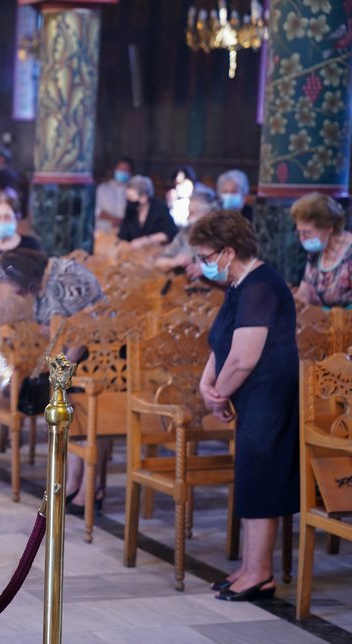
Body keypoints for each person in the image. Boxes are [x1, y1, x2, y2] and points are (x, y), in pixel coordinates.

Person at [189, 211, 299, 602]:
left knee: (262, 478)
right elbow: (222, 343)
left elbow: (243, 358)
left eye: (205, 256)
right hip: (250, 397)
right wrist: (207, 384)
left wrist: (217, 394)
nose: (202, 264)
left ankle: (260, 574)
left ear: (229, 251)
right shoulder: (239, 285)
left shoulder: (261, 286)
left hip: (269, 395)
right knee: (251, 477)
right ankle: (250, 567)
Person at [0, 247, 104, 514]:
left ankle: (90, 486)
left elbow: (89, 325)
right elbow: (52, 325)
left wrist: (65, 367)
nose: (12, 289)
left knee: (84, 415)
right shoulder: (43, 283)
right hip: (72, 357)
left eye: (12, 282)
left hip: (100, 356)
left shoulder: (66, 275)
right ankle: (74, 481)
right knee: (70, 416)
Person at [291, 192, 352, 309]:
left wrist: (324, 312)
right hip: (318, 319)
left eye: (308, 232)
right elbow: (304, 295)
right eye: (299, 232)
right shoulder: (315, 252)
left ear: (329, 227)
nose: (302, 238)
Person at [0, 193, 42, 282]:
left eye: (7, 217)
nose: (2, 222)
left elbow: (40, 279)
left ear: (16, 218)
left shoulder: (31, 246)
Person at [154, 184, 218, 275]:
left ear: (209, 214)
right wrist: (175, 261)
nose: (188, 218)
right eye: (188, 212)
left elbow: (230, 271)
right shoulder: (185, 233)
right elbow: (158, 263)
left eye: (192, 213)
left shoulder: (221, 236)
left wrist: (205, 270)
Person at [118, 174, 178, 249]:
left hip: (157, 251)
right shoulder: (130, 210)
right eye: (127, 197)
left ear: (144, 197)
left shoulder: (159, 208)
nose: (128, 201)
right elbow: (123, 234)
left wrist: (145, 240)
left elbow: (170, 231)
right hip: (134, 252)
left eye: (131, 197)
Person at [94, 157, 132, 233]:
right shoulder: (103, 188)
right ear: (115, 170)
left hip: (126, 233)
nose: (123, 172)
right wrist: (113, 220)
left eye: (126, 170)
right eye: (120, 169)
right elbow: (97, 209)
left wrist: (122, 221)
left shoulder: (132, 191)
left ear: (130, 173)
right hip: (102, 232)